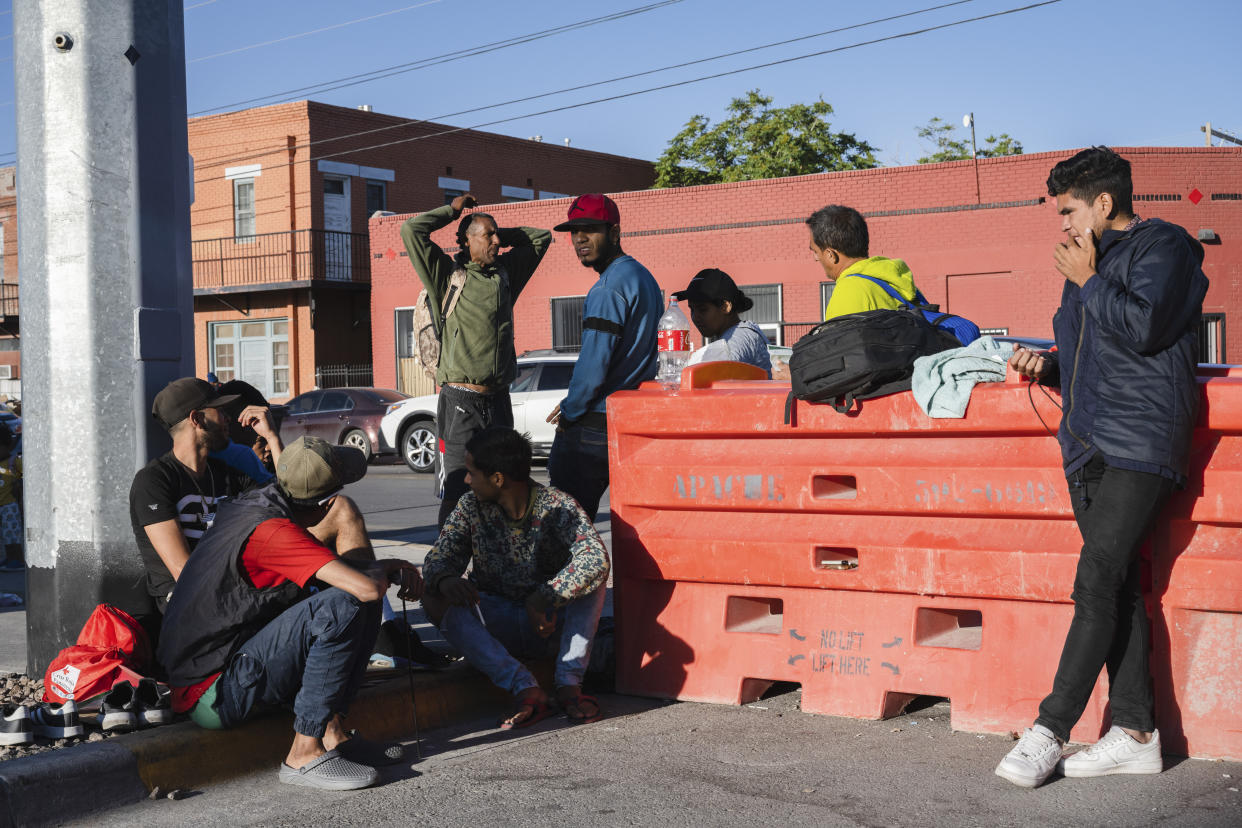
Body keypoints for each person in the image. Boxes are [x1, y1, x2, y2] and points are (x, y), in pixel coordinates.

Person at [995, 147, 1208, 788]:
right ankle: (1137, 732)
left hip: (1142, 438)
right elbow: (1098, 349)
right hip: (1086, 442)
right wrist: (1051, 363)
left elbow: (1145, 330)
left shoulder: (1163, 246)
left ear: (1104, 204)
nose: (1061, 224)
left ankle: (1049, 729)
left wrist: (1090, 280)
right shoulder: (1083, 267)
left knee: (1094, 580)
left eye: (1068, 210)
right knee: (1114, 586)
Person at [157, 436, 422, 790]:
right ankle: (303, 754)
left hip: (227, 663)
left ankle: (334, 735)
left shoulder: (262, 502)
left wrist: (387, 566)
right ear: (324, 504)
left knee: (353, 596)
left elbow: (355, 578)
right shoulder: (274, 533)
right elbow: (365, 588)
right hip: (213, 693)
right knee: (346, 604)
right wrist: (386, 570)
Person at [421, 427, 609, 728]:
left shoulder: (558, 505)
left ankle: (569, 684)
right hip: (496, 623)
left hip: (549, 626)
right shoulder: (470, 506)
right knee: (432, 596)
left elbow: (596, 559)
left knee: (594, 583)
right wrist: (446, 580)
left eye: (472, 472)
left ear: (498, 479)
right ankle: (525, 687)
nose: (467, 480)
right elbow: (437, 560)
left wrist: (544, 597)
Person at [401, 192, 552, 528]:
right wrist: (452, 212)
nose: (496, 241)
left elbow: (542, 239)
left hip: (498, 400)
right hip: (460, 402)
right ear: (467, 242)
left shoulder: (506, 274)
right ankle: (445, 573)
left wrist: (500, 230)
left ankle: (494, 568)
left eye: (497, 235)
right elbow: (411, 231)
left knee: (504, 487)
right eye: (488, 235)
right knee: (458, 491)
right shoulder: (446, 275)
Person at [546, 193, 662, 521]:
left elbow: (594, 364)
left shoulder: (608, 288)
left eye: (590, 229)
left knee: (565, 528)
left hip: (596, 423)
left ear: (614, 232)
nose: (580, 238)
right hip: (633, 416)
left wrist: (571, 411)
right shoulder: (642, 277)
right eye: (574, 231)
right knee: (634, 522)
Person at [129, 377, 274, 613]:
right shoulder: (154, 480)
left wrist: (272, 438)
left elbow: (284, 506)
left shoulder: (226, 474)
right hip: (188, 606)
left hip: (235, 592)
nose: (228, 418)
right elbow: (183, 571)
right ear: (197, 419)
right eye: (219, 411)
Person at [807, 204, 924, 322]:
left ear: (830, 255)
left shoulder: (849, 291)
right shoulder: (896, 281)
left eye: (816, 251)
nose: (815, 258)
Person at [675, 268, 772, 378]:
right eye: (692, 309)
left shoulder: (739, 338)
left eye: (702, 309)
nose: (695, 317)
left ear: (725, 307)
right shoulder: (744, 333)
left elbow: (710, 370)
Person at [0, 422, 22, 572]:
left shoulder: (13, 462)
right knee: (6, 535)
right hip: (2, 506)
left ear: (7, 446)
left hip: (10, 505)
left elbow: (24, 479)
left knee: (13, 535)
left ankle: (18, 559)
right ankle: (10, 557)